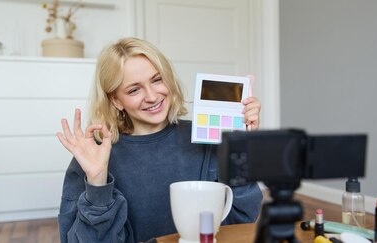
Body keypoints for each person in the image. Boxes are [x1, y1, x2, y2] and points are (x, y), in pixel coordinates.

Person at [56, 37, 263, 243]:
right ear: (116, 100)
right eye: (134, 89)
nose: (152, 96)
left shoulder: (207, 140)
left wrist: (241, 150)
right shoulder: (94, 157)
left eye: (157, 80)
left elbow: (240, 220)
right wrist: (97, 183)